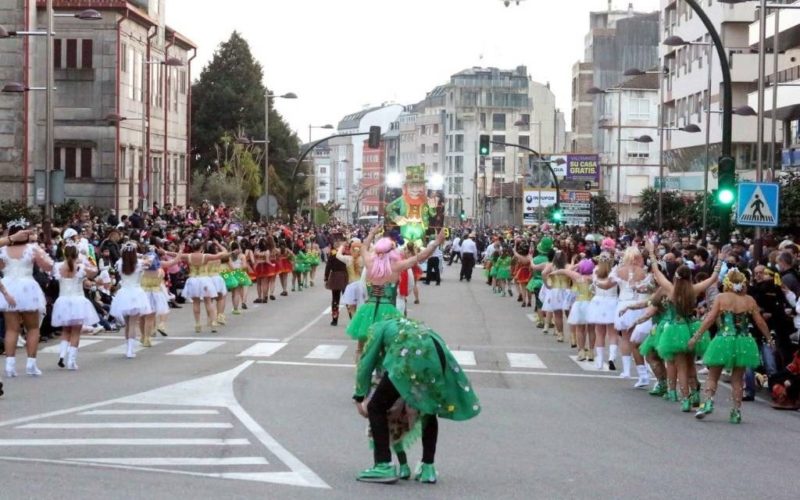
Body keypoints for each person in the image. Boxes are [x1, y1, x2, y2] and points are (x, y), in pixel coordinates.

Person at [353, 316, 480, 484]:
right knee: (428, 409)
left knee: (376, 406)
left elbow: (366, 362)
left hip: (408, 355)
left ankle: (383, 464)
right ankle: (428, 468)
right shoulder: (408, 324)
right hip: (436, 353)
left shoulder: (377, 328)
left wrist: (359, 396)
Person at [689, 269, 772, 423]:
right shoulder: (749, 300)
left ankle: (707, 403)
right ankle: (736, 411)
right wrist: (769, 338)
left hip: (723, 339)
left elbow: (710, 319)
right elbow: (760, 321)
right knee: (737, 379)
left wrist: (696, 336)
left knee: (713, 374)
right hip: (743, 341)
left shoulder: (721, 298)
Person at [1, 222, 53, 377]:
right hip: (27, 287)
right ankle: (31, 364)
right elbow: (48, 266)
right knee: (33, 328)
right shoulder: (32, 249)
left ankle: (10, 365)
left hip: (8, 286)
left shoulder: (3, 250)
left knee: (11, 329)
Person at [52, 243, 99, 370]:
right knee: (75, 332)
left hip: (63, 300)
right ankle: (71, 361)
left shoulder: (58, 267)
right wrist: (85, 260)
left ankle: (62, 355)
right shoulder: (80, 267)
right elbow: (94, 272)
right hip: (77, 301)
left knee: (66, 330)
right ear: (76, 254)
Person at [109, 243, 152, 358]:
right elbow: (149, 262)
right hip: (136, 293)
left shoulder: (120, 263)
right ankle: (130, 350)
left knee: (128, 324)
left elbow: (121, 260)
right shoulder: (139, 264)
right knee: (133, 323)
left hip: (123, 293)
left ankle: (128, 348)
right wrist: (140, 256)